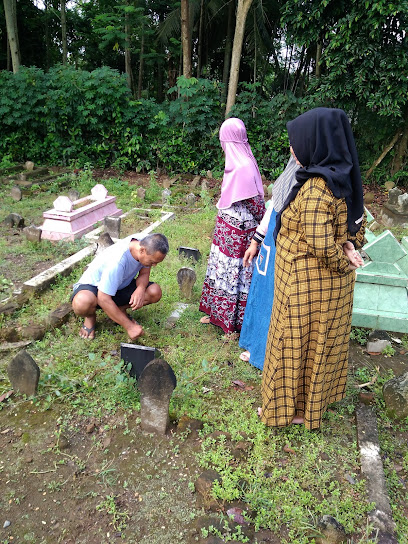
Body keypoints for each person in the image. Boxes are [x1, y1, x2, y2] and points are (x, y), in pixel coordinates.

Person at [261, 107, 365, 430]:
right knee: (319, 346)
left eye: (298, 141)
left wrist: (339, 255)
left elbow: (320, 241)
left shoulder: (317, 186)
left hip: (304, 283)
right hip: (332, 288)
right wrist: (348, 250)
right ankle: (309, 406)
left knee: (291, 345)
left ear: (317, 142)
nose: (293, 149)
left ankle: (285, 411)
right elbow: (357, 227)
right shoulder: (344, 177)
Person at [199, 117, 266, 334]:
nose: (221, 144)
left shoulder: (243, 167)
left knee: (236, 273)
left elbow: (256, 205)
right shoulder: (236, 163)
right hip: (228, 233)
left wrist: (262, 229)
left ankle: (235, 321)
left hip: (241, 235)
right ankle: (218, 314)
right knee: (223, 270)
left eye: (223, 140)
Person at [239, 157, 299, 368]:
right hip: (270, 246)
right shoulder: (290, 171)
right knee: (262, 294)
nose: (293, 150)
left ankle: (266, 353)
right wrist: (256, 240)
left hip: (288, 249)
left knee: (275, 299)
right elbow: (273, 207)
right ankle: (255, 346)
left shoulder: (312, 181)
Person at [71, 232, 169, 340]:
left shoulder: (145, 243)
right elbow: (103, 298)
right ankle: (90, 317)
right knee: (82, 302)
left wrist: (140, 289)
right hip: (95, 288)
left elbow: (144, 273)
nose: (154, 265)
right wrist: (130, 327)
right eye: (152, 262)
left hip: (120, 285)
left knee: (154, 292)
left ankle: (118, 310)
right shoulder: (117, 262)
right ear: (142, 250)